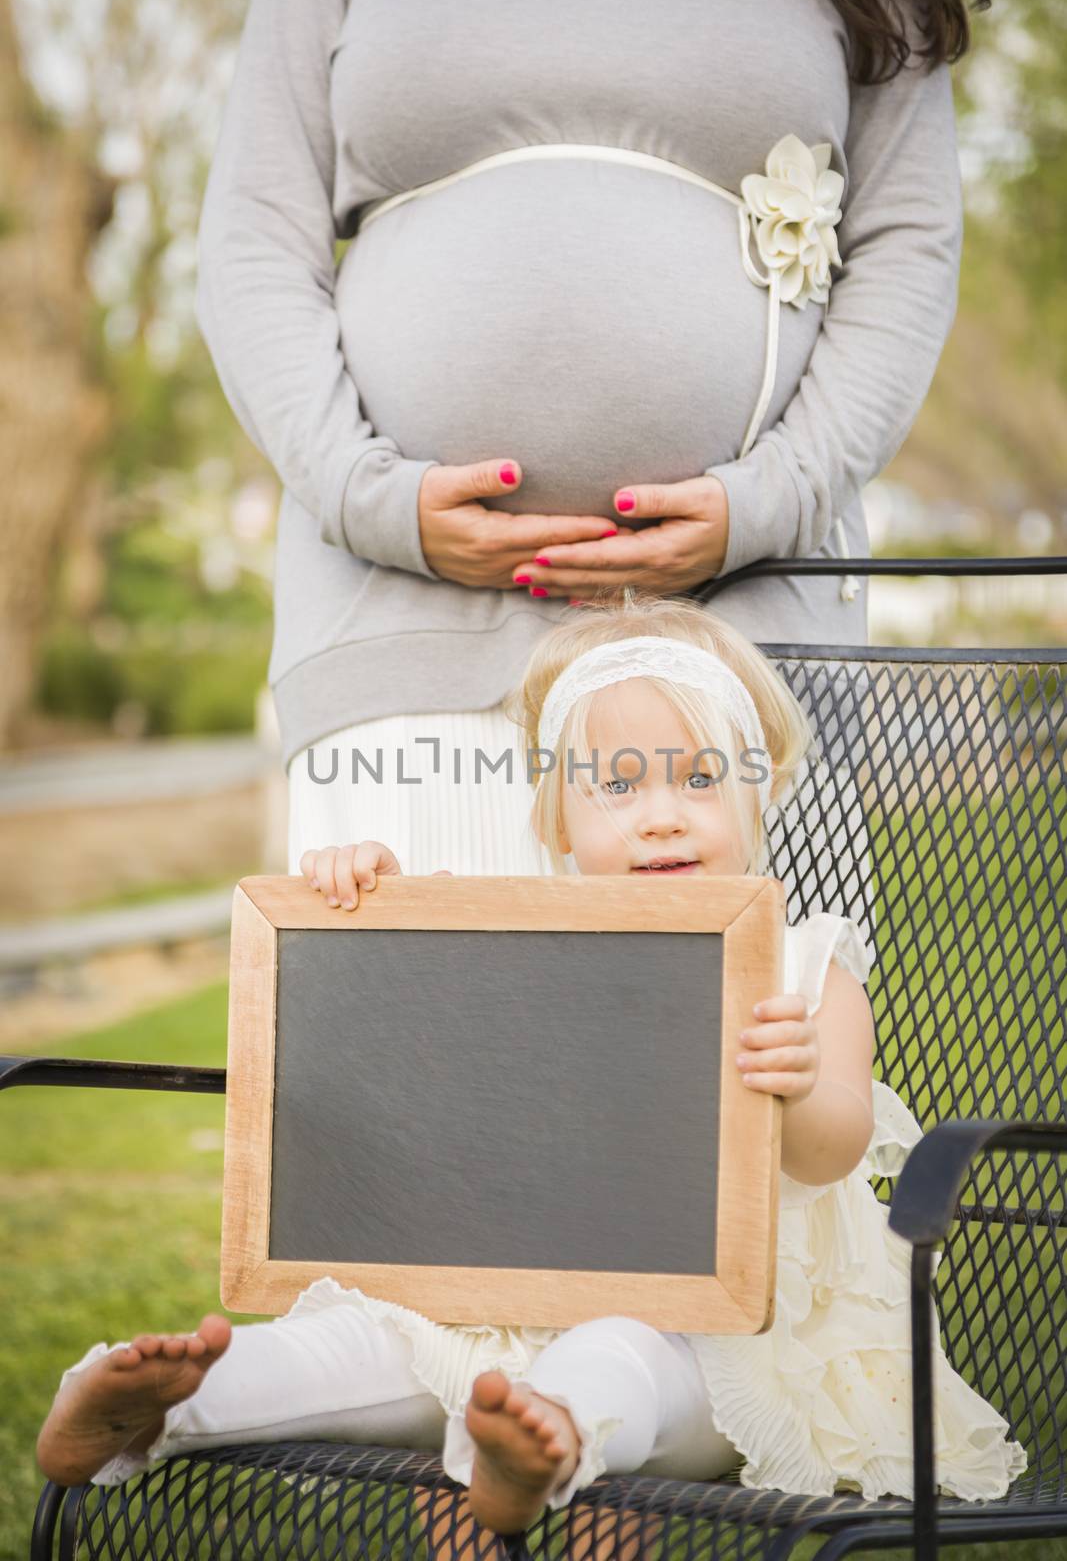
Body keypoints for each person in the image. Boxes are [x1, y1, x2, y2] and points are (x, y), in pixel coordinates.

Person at [36, 596, 1026, 1539]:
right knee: (347, 1346)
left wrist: (800, 1081)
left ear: (756, 789)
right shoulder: (521, 940)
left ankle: (533, 1444)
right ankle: (160, 1399)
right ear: (556, 820)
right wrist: (364, 894)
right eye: (619, 785)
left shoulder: (806, 967)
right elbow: (396, 1023)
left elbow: (835, 1146)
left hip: (717, 1337)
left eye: (696, 779)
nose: (660, 816)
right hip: (491, 1309)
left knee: (614, 1363)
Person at [193, 0, 983, 892]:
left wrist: (774, 499)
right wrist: (372, 500)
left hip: (742, 638)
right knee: (421, 1027)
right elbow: (253, 235)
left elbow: (908, 243)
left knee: (764, 1029)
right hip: (403, 631)